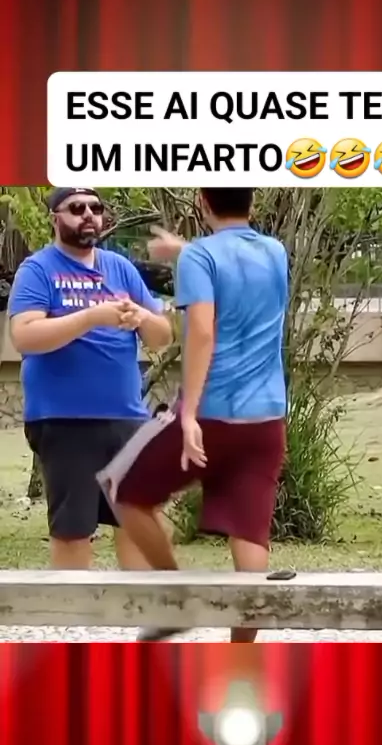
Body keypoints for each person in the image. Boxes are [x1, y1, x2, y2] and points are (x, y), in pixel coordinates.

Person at [97, 188, 289, 643]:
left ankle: (176, 599)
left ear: (202, 203)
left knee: (120, 488)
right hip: (266, 418)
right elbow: (236, 268)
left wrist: (189, 415)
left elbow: (202, 331)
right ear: (252, 204)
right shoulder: (275, 252)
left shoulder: (201, 257)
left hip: (212, 414)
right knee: (249, 532)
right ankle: (241, 655)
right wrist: (186, 251)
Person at [7, 187, 173, 572]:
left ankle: (138, 607)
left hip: (127, 418)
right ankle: (72, 610)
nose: (88, 215)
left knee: (137, 520)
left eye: (95, 208)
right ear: (55, 218)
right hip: (65, 421)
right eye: (76, 208)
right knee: (74, 529)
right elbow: (24, 336)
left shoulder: (120, 267)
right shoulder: (38, 270)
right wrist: (91, 317)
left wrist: (142, 318)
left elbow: (162, 336)